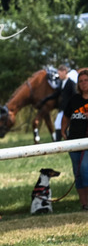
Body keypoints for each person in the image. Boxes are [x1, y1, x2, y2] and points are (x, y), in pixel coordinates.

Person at [61, 69, 88, 210]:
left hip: (87, 142)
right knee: (77, 173)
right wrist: (63, 130)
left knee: (85, 168)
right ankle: (84, 204)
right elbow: (66, 116)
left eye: (86, 80)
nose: (83, 83)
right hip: (73, 140)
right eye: (81, 81)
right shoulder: (74, 99)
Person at [40, 64, 77, 141]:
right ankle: (58, 142)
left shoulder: (71, 83)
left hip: (69, 110)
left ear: (64, 72)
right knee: (58, 124)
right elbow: (56, 94)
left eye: (60, 73)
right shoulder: (61, 83)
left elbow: (75, 96)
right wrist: (45, 99)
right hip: (62, 109)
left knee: (65, 125)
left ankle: (63, 141)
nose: (59, 75)